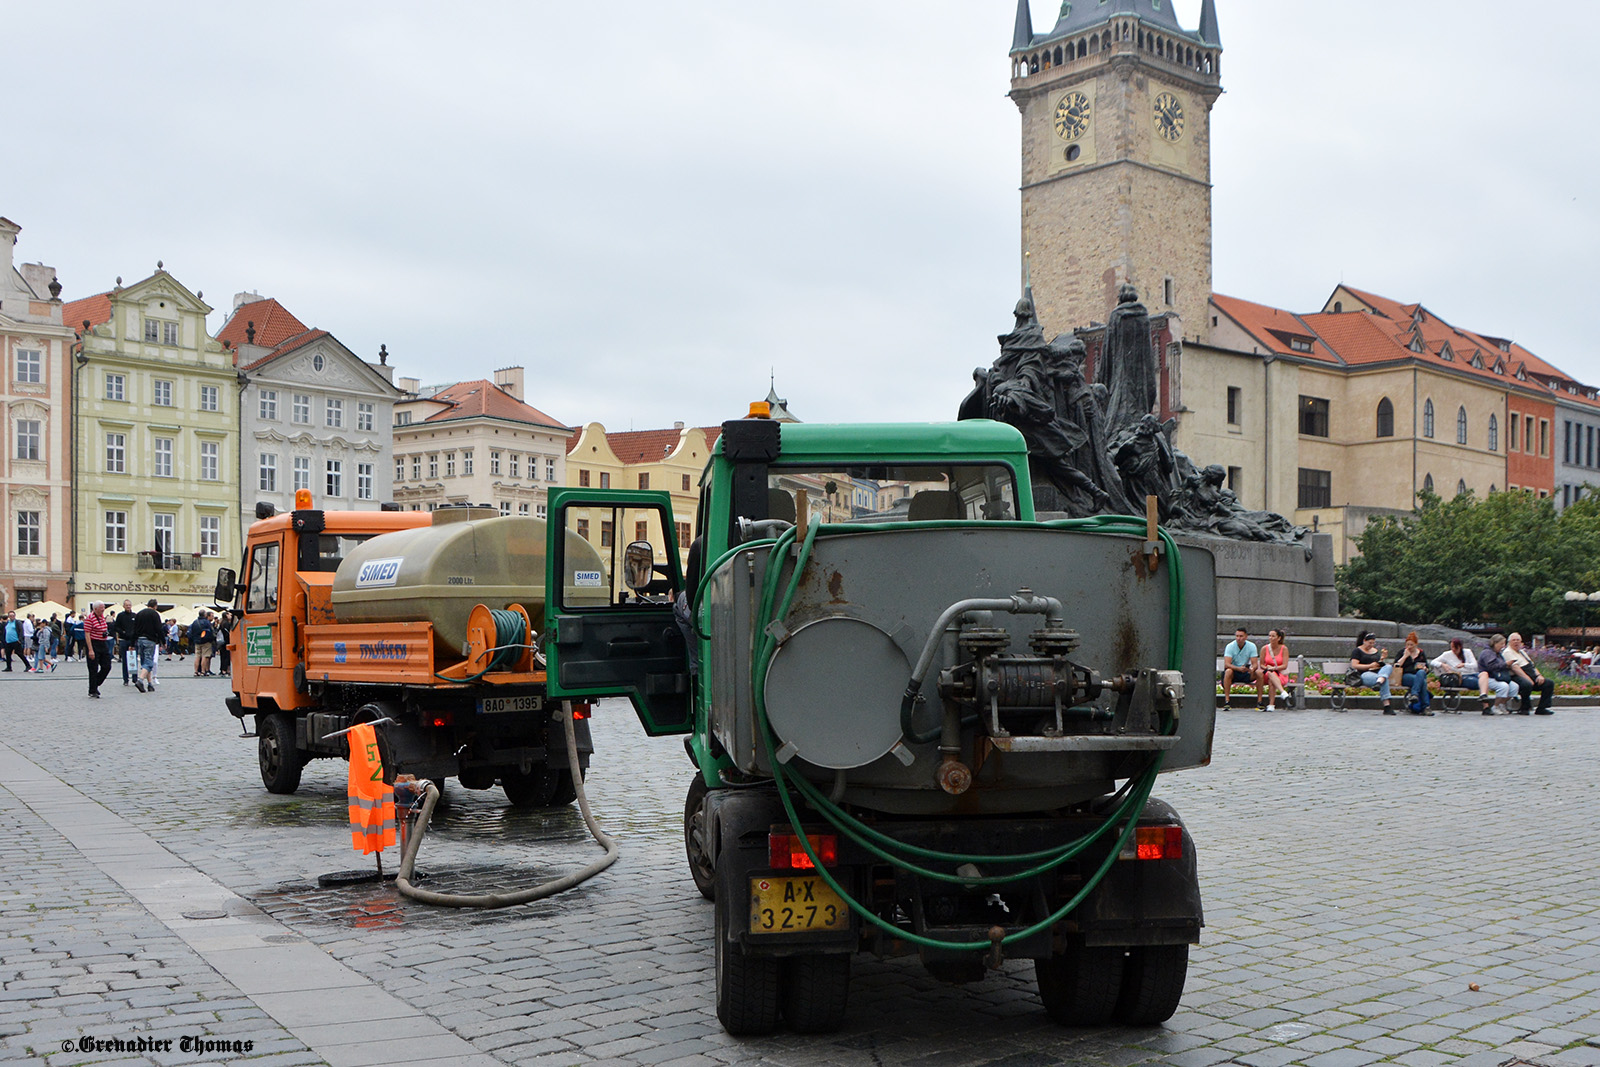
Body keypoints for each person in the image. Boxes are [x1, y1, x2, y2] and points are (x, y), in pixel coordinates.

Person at [1504, 633, 1555, 715]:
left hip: (1530, 673)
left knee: (1549, 683)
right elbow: (1515, 668)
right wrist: (1528, 679)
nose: (1516, 642)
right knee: (1526, 684)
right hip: (1517, 675)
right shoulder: (1508, 652)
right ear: (1509, 642)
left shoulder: (1522, 652)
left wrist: (1539, 675)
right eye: (1514, 640)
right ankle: (1524, 708)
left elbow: (1532, 666)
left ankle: (1542, 708)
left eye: (1518, 640)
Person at [1350, 631, 1395, 714]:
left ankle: (1378, 682)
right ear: (1364, 641)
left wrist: (1382, 659)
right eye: (1370, 643)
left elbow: (1378, 664)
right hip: (1364, 674)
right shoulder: (1357, 651)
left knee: (1388, 667)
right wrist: (1369, 666)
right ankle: (1387, 706)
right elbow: (1354, 665)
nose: (1371, 645)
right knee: (1384, 679)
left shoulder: (1375, 651)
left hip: (1377, 673)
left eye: (1373, 643)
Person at [1220, 627, 1263, 707]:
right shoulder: (1230, 646)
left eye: (1241, 636)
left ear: (1246, 637)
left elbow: (1255, 664)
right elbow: (1227, 664)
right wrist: (1238, 668)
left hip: (1246, 671)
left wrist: (1252, 669)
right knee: (1228, 671)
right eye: (1237, 636)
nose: (1238, 638)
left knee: (1259, 673)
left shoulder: (1252, 646)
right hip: (1234, 672)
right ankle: (1227, 701)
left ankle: (1260, 701)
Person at [1393, 632, 1434, 715]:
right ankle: (1426, 707)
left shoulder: (1421, 653)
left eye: (1411, 645)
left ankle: (1415, 695)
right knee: (1422, 682)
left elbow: (1427, 668)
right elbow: (1396, 666)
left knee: (1421, 674)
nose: (1409, 647)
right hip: (1406, 675)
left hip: (1418, 675)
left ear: (1416, 644)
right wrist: (1404, 657)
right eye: (1407, 645)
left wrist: (1425, 668)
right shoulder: (1402, 652)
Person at [1478, 635, 1515, 716]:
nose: (1503, 646)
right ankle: (1495, 706)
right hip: (1489, 677)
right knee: (1503, 686)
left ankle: (1502, 704)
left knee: (1514, 687)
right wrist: (1505, 664)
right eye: (1501, 644)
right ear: (1495, 643)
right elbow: (1491, 667)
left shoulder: (1498, 654)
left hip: (1498, 676)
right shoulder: (1487, 653)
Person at [132, 598, 164, 693]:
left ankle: (150, 684)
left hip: (140, 640)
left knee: (144, 662)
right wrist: (163, 642)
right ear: (155, 606)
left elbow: (135, 629)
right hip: (150, 640)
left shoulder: (140, 613)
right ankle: (140, 680)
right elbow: (159, 629)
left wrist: (132, 643)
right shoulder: (155, 614)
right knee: (149, 662)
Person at [1260, 628, 1294, 711]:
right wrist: (1267, 668)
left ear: (1279, 638)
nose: (1270, 638)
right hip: (1266, 673)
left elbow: (1284, 665)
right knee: (1270, 674)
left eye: (1273, 636)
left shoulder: (1284, 649)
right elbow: (1261, 664)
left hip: (1280, 674)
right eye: (1269, 636)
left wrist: (1274, 668)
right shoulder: (1264, 648)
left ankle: (1271, 705)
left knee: (1271, 677)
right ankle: (1282, 692)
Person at [84, 602, 113, 698]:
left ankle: (95, 683)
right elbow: (87, 634)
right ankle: (92, 690)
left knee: (107, 666)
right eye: (101, 608)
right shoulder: (90, 618)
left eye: (104, 607)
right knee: (93, 668)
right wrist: (90, 649)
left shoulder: (101, 617)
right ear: (95, 609)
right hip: (93, 643)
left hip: (103, 643)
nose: (103, 609)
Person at [113, 600, 138, 686]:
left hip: (133, 641)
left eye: (129, 605)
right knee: (124, 661)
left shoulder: (135, 615)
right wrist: (123, 632)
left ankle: (135, 678)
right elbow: (116, 627)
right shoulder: (120, 616)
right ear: (123, 606)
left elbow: (137, 628)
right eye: (126, 605)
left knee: (134, 660)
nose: (128, 606)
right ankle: (125, 679)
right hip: (123, 640)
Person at [190, 611, 217, 676]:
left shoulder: (195, 622)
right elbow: (211, 632)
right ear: (205, 615)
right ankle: (203, 671)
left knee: (197, 656)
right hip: (206, 641)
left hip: (197, 641)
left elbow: (191, 632)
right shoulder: (207, 622)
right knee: (205, 656)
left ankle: (196, 671)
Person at [217, 610, 233, 677]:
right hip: (226, 641)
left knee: (223, 656)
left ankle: (222, 669)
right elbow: (228, 633)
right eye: (230, 615)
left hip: (222, 642)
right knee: (227, 656)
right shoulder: (226, 623)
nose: (231, 616)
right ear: (226, 615)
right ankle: (226, 669)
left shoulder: (221, 623)